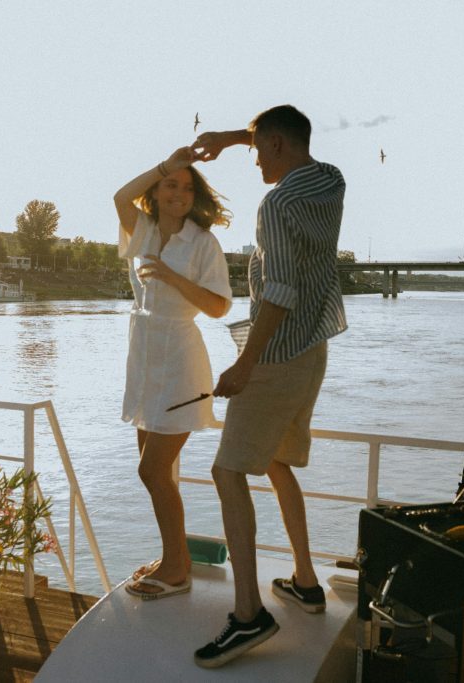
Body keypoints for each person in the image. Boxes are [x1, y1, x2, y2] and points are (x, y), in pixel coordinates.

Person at [190, 105, 347, 668]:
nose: (253, 158)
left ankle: (249, 615)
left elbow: (277, 291)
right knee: (277, 462)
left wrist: (244, 366)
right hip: (313, 349)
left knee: (227, 471)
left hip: (276, 355)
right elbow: (280, 131)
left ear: (279, 145)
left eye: (258, 149)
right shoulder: (330, 180)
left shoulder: (277, 203)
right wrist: (231, 137)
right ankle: (305, 581)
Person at [114, 145, 234, 599]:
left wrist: (170, 275)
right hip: (144, 358)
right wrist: (166, 163)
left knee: (152, 471)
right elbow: (120, 198)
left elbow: (220, 306)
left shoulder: (202, 242)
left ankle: (177, 565)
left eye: (186, 187)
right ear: (157, 189)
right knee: (156, 472)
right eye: (170, 184)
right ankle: (173, 558)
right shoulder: (141, 228)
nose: (178, 193)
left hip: (182, 360)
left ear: (195, 196)